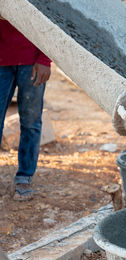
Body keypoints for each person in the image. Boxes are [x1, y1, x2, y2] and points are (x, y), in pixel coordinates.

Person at [0, 16, 51, 201]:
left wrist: (45, 59)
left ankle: (24, 176)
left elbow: (49, 20)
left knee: (31, 121)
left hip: (32, 60)